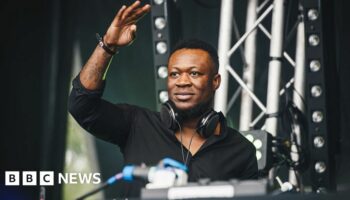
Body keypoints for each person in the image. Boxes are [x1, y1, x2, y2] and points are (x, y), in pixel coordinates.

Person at [68, 0, 258, 198]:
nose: (182, 82)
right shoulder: (137, 124)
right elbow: (81, 106)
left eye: (194, 73)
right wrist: (107, 46)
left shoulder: (241, 151)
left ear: (215, 81)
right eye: (174, 74)